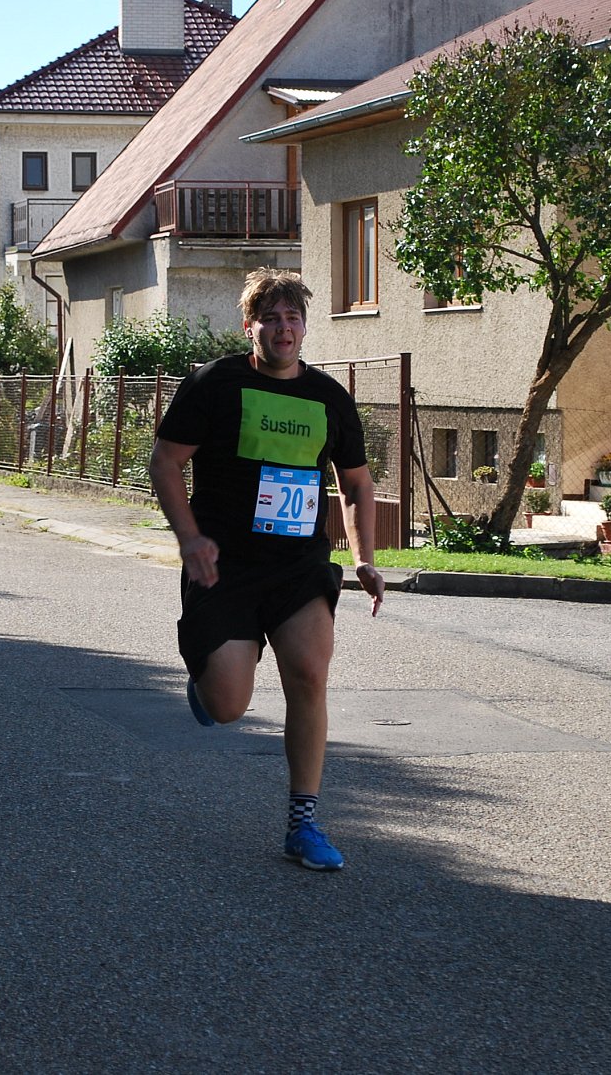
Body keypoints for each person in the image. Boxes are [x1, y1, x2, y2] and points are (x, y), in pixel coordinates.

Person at [149, 268, 386, 872]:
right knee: (228, 704)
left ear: (304, 327)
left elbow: (357, 484)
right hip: (223, 566)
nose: (283, 329)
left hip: (298, 566)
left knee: (308, 674)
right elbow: (166, 462)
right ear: (249, 326)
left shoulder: (328, 397)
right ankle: (209, 675)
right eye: (271, 319)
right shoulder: (215, 383)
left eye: (293, 318)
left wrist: (364, 558)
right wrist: (190, 539)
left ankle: (303, 821)